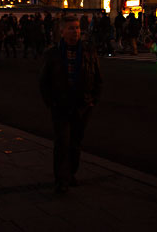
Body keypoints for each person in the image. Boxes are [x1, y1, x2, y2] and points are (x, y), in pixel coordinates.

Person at [40, 14, 102, 194]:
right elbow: (43, 81)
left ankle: (71, 173)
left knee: (75, 143)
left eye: (77, 28)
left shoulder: (89, 51)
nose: (75, 31)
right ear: (62, 31)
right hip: (60, 105)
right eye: (71, 28)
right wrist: (51, 102)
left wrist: (93, 101)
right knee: (62, 143)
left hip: (82, 105)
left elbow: (98, 78)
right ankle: (61, 179)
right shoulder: (52, 53)